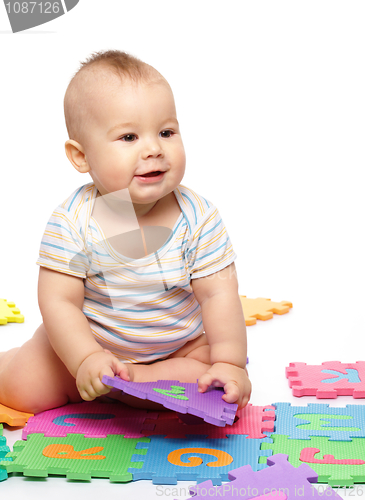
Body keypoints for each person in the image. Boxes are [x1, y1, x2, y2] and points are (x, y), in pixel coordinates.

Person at [0, 50, 251, 414]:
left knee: (208, 375)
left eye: (166, 132)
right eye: (129, 137)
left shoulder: (198, 217)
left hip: (175, 349)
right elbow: (59, 301)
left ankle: (133, 381)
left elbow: (219, 296)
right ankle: (19, 364)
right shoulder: (73, 221)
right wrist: (84, 358)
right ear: (81, 157)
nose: (153, 149)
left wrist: (229, 362)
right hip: (90, 345)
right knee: (24, 390)